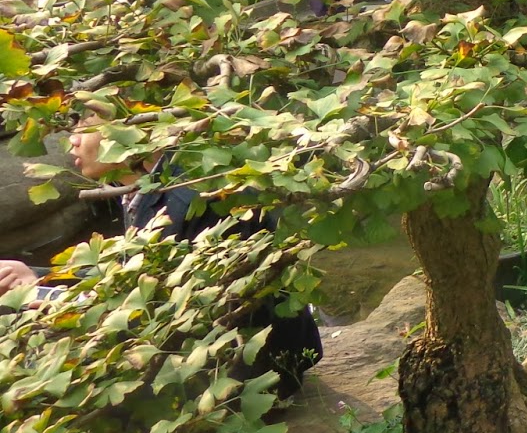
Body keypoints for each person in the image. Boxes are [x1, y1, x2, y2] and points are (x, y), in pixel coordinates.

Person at [0, 126, 323, 396]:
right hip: (202, 349)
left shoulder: (191, 200)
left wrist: (54, 299)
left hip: (242, 381)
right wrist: (38, 277)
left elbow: (157, 309)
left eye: (86, 126)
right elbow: (130, 273)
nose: (72, 139)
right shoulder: (152, 184)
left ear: (129, 129)